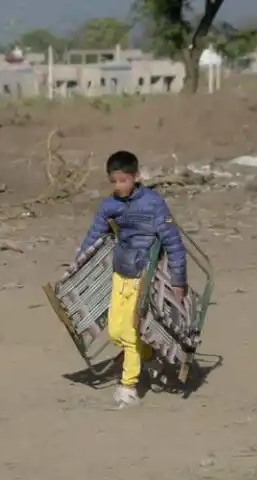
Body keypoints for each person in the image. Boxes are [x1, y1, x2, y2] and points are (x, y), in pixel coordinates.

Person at [78, 150, 187, 408]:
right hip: (120, 273)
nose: (119, 186)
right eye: (114, 182)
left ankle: (128, 387)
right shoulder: (109, 206)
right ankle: (148, 358)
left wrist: (178, 280)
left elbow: (173, 242)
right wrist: (79, 265)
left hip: (145, 276)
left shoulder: (154, 204)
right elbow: (93, 237)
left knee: (129, 331)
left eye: (123, 181)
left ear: (136, 177)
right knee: (116, 332)